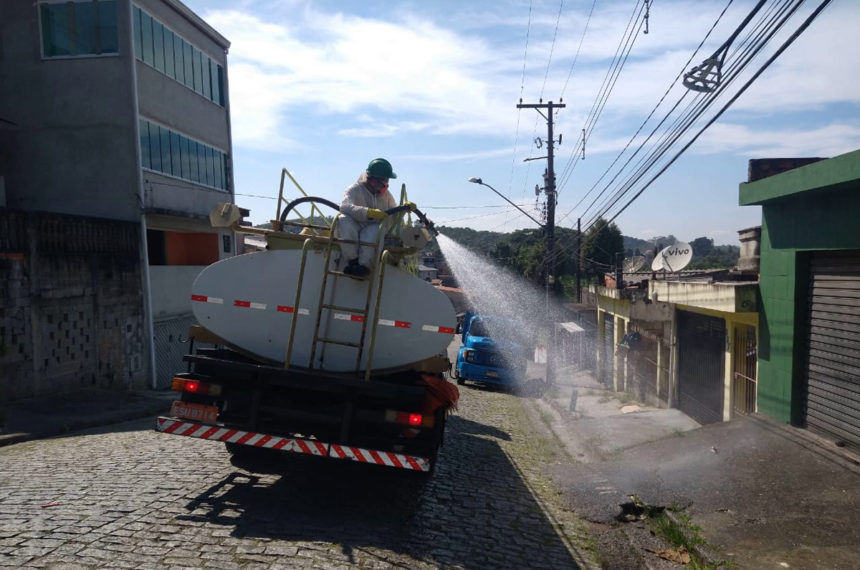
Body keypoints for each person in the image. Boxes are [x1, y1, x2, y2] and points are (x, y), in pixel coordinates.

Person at [336, 158, 399, 277]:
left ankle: (363, 266)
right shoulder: (354, 190)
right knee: (343, 220)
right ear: (374, 181)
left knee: (374, 230)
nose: (387, 184)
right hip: (355, 225)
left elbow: (395, 213)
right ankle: (352, 261)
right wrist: (367, 212)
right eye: (385, 180)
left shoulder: (386, 195)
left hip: (373, 228)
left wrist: (405, 208)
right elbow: (344, 206)